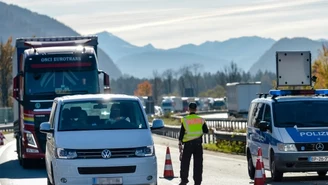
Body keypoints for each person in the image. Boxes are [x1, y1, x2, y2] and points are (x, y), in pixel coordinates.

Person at [179, 102, 209, 185]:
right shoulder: (201, 119)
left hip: (188, 144)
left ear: (188, 109)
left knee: (185, 163)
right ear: (196, 109)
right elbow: (206, 131)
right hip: (198, 144)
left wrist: (180, 142)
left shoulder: (185, 119)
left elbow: (182, 133)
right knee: (198, 164)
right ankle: (197, 181)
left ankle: (184, 180)